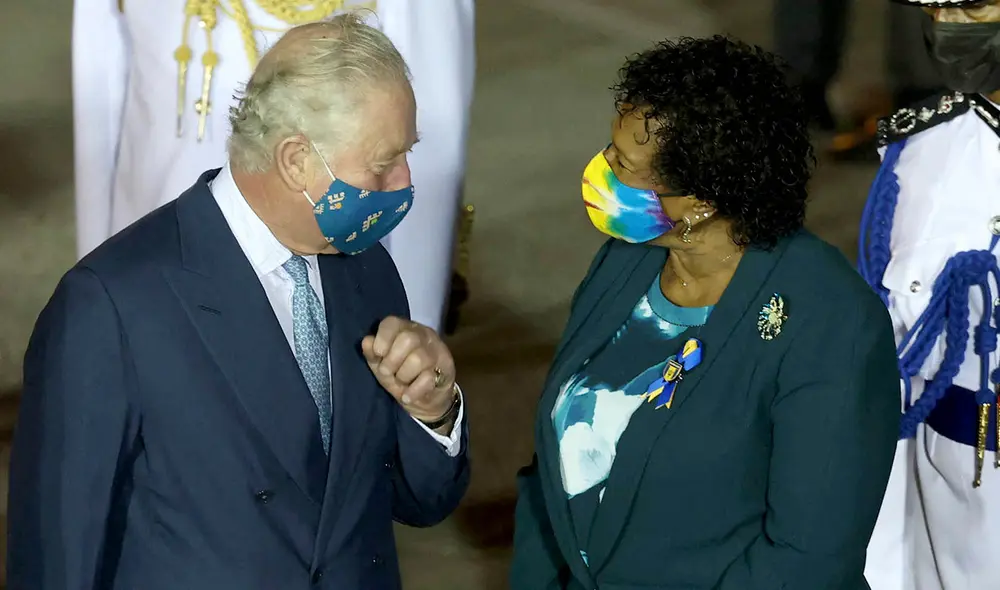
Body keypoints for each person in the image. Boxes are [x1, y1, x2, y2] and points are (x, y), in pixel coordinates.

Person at [8, 16, 469, 589]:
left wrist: (433, 413)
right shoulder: (112, 306)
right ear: (296, 159)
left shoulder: (367, 269)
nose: (403, 182)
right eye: (381, 166)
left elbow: (417, 501)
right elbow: (57, 556)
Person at [510, 36, 901, 590]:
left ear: (700, 200)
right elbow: (551, 469)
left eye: (623, 165)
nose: (601, 172)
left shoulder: (831, 325)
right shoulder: (625, 263)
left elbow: (805, 564)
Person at [72, 0, 475, 333]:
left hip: (320, 279)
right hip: (150, 262)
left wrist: (413, 325)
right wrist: (95, 293)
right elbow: (99, 108)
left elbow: (424, 148)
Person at [858, 3, 1000, 589]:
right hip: (948, 473)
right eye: (937, 7)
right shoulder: (919, 152)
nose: (947, 25)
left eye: (969, 6)